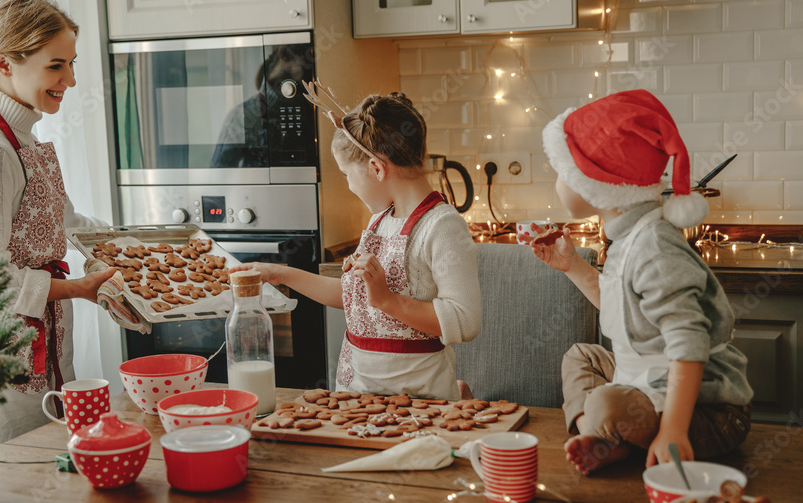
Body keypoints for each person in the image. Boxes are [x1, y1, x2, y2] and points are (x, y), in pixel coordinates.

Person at [531, 90, 753, 473]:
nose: (558, 182)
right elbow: (624, 305)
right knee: (581, 357)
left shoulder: (654, 246)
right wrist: (572, 267)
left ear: (598, 183)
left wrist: (673, 429)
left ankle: (612, 435)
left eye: (563, 172)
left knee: (603, 404)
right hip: (651, 383)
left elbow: (690, 342)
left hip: (707, 411)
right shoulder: (628, 235)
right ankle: (611, 440)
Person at [0, 0, 115, 450]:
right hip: (3, 365)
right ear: (3, 64)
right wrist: (77, 289)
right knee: (18, 473)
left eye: (71, 63)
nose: (71, 80)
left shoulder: (19, 135)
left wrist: (136, 248)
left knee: (54, 469)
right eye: (56, 65)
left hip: (45, 347)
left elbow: (67, 221)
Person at [230, 82, 481, 400]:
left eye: (347, 175)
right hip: (359, 393)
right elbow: (356, 298)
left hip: (416, 399)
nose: (349, 186)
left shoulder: (442, 226)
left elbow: (465, 320)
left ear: (376, 168)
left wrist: (388, 300)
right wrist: (279, 274)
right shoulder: (381, 220)